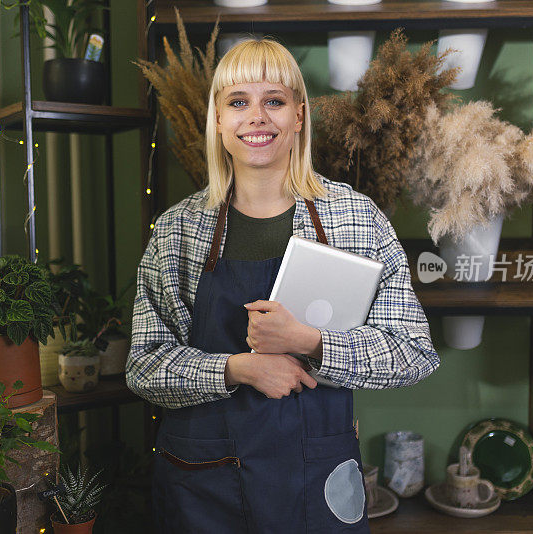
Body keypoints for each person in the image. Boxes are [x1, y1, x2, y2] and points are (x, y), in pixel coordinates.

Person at [127, 38, 439, 533]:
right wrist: (237, 369)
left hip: (315, 480)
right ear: (218, 119)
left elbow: (413, 352)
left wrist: (311, 343)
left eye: (273, 100)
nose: (257, 117)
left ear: (298, 115)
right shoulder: (178, 231)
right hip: (202, 486)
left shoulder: (354, 219)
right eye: (238, 102)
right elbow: (144, 367)